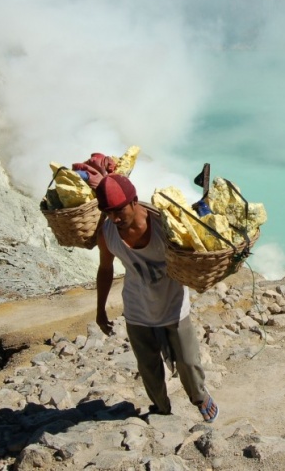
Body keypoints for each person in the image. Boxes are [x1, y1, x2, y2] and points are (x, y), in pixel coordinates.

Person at [94, 173, 219, 422]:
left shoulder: (165, 226)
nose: (114, 218)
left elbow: (195, 252)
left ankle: (200, 397)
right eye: (108, 212)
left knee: (188, 361)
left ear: (134, 202)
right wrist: (100, 310)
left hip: (173, 305)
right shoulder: (107, 234)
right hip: (137, 308)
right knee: (148, 367)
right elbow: (105, 269)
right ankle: (161, 408)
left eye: (119, 211)